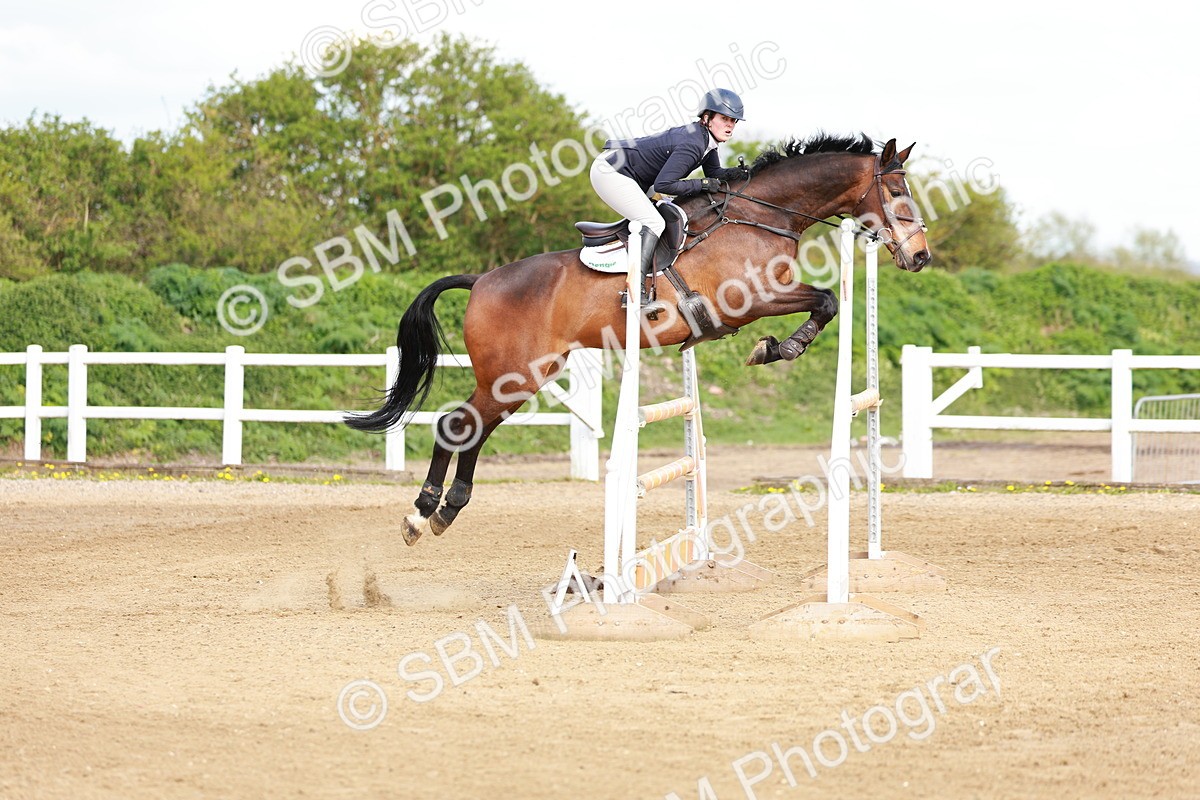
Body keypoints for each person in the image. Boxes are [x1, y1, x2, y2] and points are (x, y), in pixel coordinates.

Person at [590, 88, 749, 313]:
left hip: (634, 176)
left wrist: (744, 173)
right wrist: (701, 185)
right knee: (654, 222)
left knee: (656, 214)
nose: (730, 125)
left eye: (733, 120)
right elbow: (665, 185)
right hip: (611, 171)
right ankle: (634, 291)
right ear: (707, 118)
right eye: (724, 118)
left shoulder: (706, 140)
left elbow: (714, 172)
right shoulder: (694, 143)